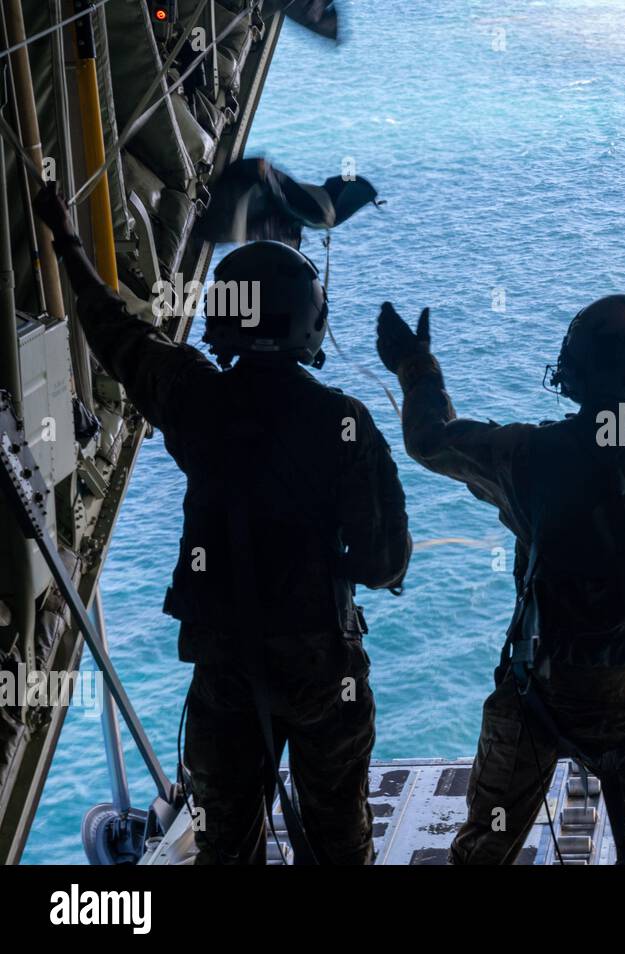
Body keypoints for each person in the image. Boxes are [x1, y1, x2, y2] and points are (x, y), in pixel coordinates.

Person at [35, 186, 411, 865]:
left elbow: (116, 332)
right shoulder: (344, 422)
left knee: (226, 847)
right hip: (321, 665)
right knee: (338, 845)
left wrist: (65, 238)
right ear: (309, 323)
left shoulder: (194, 398)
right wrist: (336, 565)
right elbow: (386, 562)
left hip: (228, 665)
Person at [376, 294, 625, 864]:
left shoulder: (525, 454)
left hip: (544, 683)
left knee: (485, 848)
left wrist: (415, 365)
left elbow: (431, 439)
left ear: (575, 370)